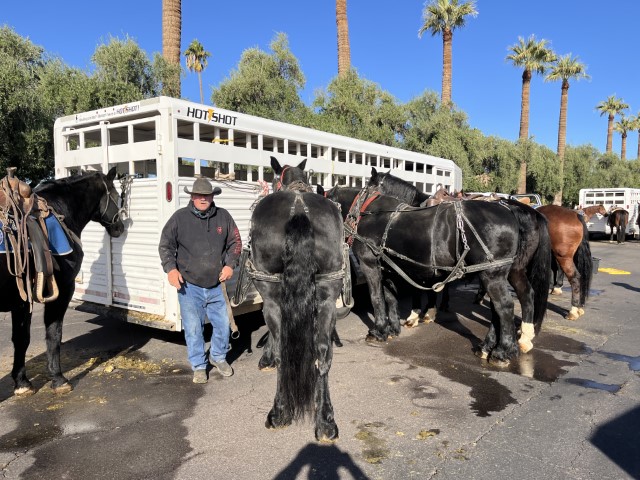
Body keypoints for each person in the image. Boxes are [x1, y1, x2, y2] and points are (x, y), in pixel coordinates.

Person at [159, 176, 242, 384]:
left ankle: (218, 357)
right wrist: (171, 269)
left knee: (223, 325)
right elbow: (165, 246)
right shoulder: (179, 218)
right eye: (199, 195)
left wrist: (230, 264)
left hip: (216, 285)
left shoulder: (223, 217)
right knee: (194, 328)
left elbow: (236, 242)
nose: (203, 199)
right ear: (192, 196)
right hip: (189, 285)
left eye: (207, 195)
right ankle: (198, 365)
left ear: (212, 197)